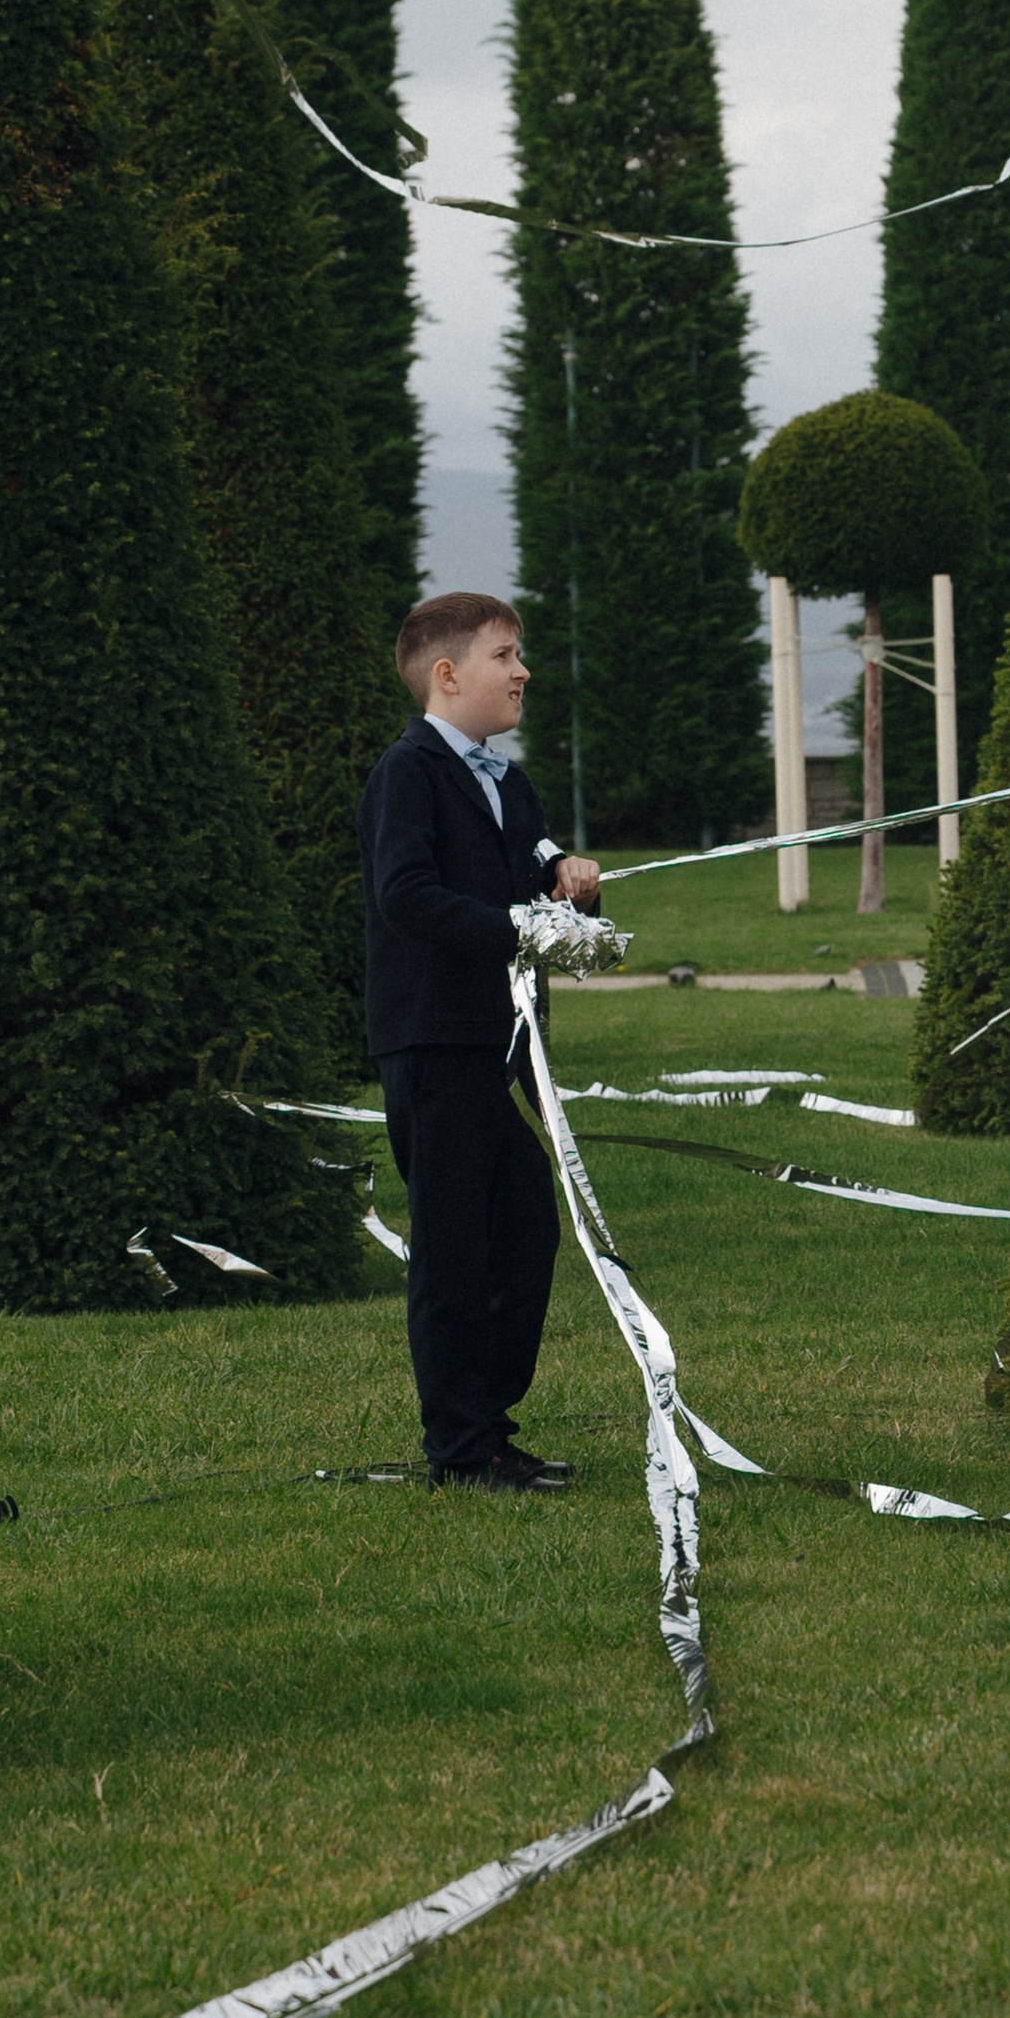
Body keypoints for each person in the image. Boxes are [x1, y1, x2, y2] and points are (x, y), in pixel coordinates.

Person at [358, 593, 603, 1491]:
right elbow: (407, 895)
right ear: (447, 674)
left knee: (524, 1229)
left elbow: (533, 870)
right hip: (431, 1042)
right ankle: (461, 1452)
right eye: (505, 655)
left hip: (493, 1046)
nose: (522, 671)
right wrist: (517, 927)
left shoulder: (508, 779)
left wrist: (567, 881)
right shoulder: (409, 772)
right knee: (455, 1247)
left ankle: (489, 1429)